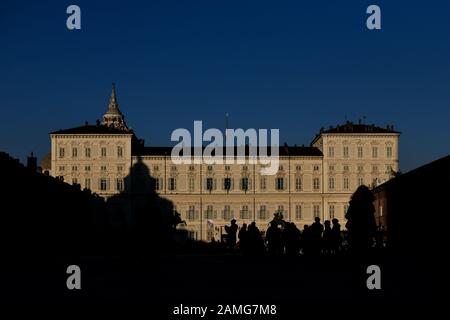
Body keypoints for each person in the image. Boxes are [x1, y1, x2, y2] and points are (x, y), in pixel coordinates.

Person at [345, 185, 377, 254]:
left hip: (354, 232)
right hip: (366, 233)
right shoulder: (369, 205)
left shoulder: (353, 204)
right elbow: (372, 220)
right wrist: (375, 232)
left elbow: (347, 216)